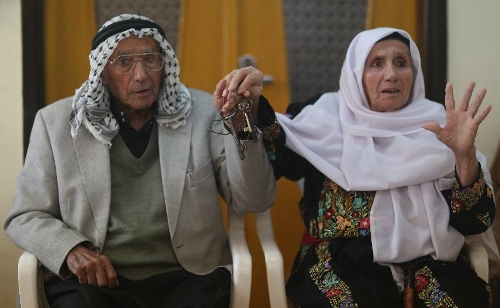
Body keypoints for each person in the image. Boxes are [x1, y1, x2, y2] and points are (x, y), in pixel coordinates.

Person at [4, 14, 276, 308]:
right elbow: (25, 215)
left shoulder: (204, 114)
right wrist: (71, 250)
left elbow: (254, 200)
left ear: (164, 63)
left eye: (150, 59)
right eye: (124, 62)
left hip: (187, 277)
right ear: (103, 74)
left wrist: (241, 123)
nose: (141, 75)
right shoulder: (56, 123)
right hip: (96, 284)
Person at [219, 27, 499, 307]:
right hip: (339, 261)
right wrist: (247, 109)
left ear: (415, 74)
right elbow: (265, 162)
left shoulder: (440, 126)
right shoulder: (321, 116)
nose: (391, 74)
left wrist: (464, 157)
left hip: (432, 264)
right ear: (355, 73)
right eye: (376, 63)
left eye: (401, 63)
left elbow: (474, 223)